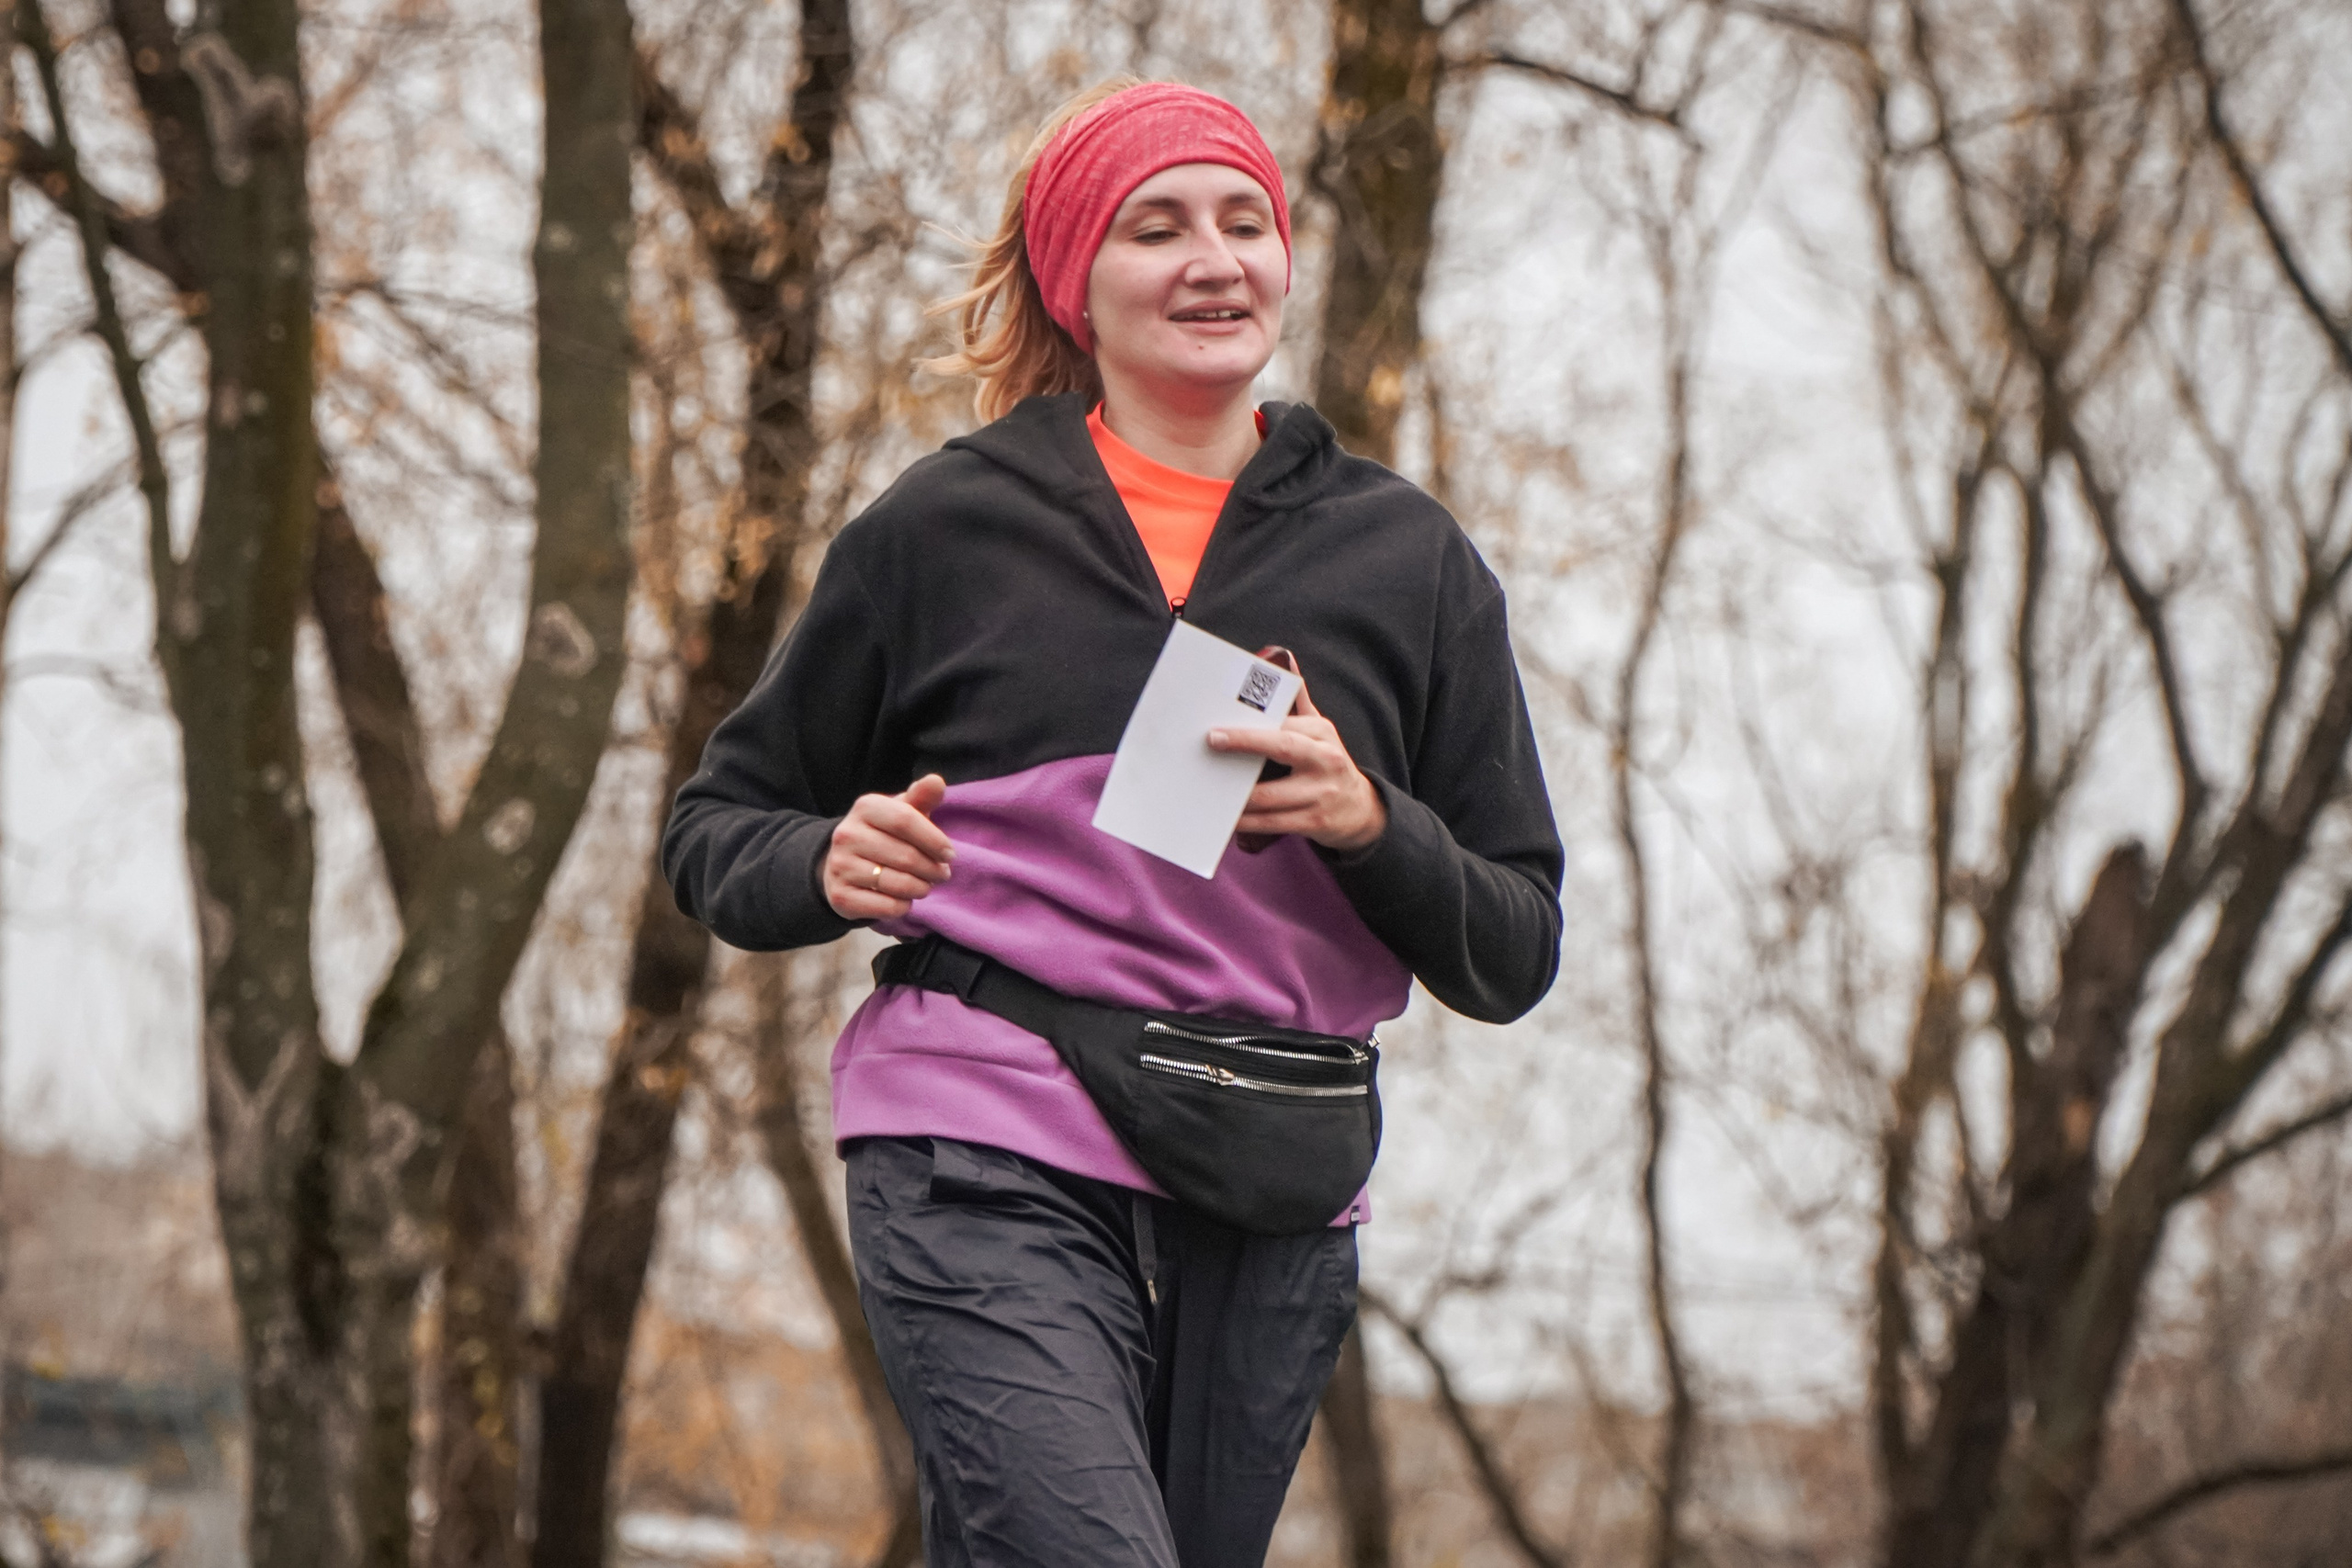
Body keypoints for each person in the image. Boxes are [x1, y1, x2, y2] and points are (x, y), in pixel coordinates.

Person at [661, 75, 1564, 1568]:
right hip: (984, 1124)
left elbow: (1516, 942)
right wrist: (823, 858)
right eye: (1158, 228)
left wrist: (1363, 819)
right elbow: (717, 826)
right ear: (1077, 278)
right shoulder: (942, 530)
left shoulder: (1410, 563)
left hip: (1269, 1164)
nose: (1214, 259)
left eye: (1245, 221)